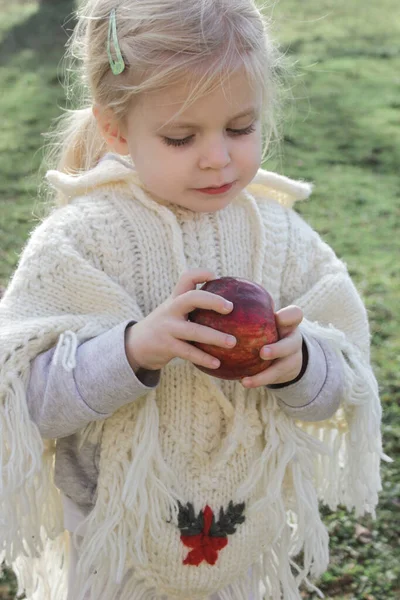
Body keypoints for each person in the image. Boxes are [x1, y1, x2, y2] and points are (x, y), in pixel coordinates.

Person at [0, 0, 386, 599]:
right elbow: (26, 402)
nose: (217, 156)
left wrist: (302, 363)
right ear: (115, 127)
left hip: (248, 536)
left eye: (240, 128)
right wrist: (132, 351)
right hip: (113, 544)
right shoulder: (82, 241)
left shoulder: (281, 238)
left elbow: (344, 383)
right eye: (181, 136)